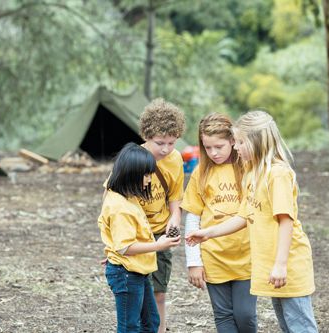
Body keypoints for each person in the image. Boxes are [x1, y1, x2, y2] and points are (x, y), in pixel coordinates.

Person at [186, 110, 318, 333]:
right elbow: (244, 216)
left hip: (289, 264)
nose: (235, 147)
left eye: (239, 142)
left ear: (256, 142)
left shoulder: (277, 175)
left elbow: (285, 221)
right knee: (288, 325)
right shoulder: (253, 173)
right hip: (271, 264)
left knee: (300, 326)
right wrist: (209, 233)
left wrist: (280, 264)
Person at [181, 113, 257, 332]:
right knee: (223, 316)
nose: (213, 153)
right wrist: (193, 262)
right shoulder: (200, 173)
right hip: (214, 257)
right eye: (207, 147)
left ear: (233, 140)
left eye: (219, 146)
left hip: (246, 257)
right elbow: (193, 218)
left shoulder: (249, 169)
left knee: (245, 315)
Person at [99, 142, 181, 333]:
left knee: (151, 321)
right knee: (130, 326)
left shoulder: (129, 197)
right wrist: (158, 245)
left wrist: (114, 252)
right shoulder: (120, 207)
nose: (149, 179)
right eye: (146, 174)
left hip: (136, 270)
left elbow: (119, 242)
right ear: (131, 174)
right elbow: (125, 247)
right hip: (127, 274)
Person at [138, 98, 186, 333]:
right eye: (159, 143)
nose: (166, 149)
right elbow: (114, 201)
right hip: (137, 234)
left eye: (171, 142)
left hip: (161, 233)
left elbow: (175, 198)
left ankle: (161, 329)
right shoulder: (133, 160)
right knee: (138, 293)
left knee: (159, 293)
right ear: (147, 136)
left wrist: (174, 219)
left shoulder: (175, 159)